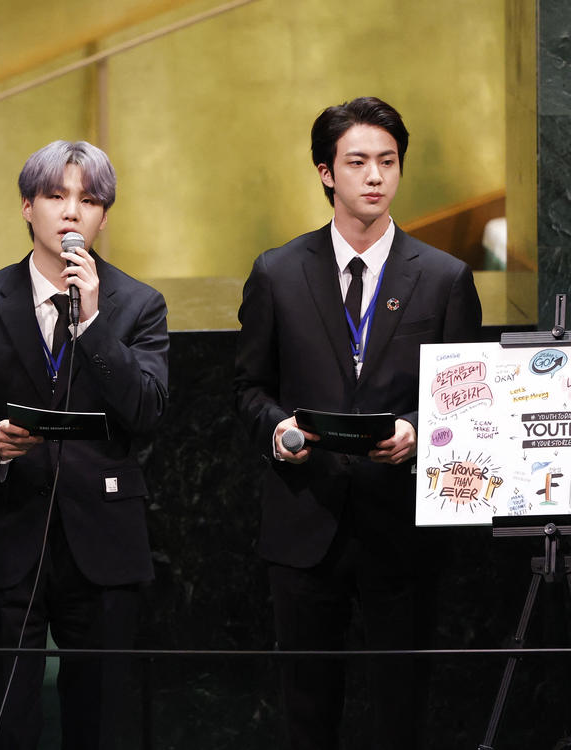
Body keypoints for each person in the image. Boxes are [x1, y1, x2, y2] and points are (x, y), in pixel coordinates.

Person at [233, 97, 482, 750]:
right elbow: (249, 388)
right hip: (304, 518)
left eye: (388, 161)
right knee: (307, 708)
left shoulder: (446, 278)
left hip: (401, 526)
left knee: (401, 708)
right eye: (358, 162)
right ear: (326, 173)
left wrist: (417, 432)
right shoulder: (278, 272)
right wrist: (278, 432)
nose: (375, 176)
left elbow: (467, 407)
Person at [0, 140, 168, 749]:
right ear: (27, 207)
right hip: (10, 536)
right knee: (4, 720)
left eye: (88, 200)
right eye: (55, 196)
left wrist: (91, 323)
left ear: (104, 217)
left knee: (104, 721)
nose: (70, 212)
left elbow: (146, 412)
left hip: (106, 539)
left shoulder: (138, 305)